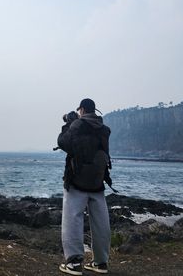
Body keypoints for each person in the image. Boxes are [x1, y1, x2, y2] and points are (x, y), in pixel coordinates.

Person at [57, 98, 111, 275]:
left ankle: (74, 263)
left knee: (73, 219)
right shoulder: (104, 129)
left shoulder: (77, 125)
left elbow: (63, 143)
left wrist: (69, 124)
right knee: (101, 222)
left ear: (81, 109)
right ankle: (101, 263)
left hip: (77, 181)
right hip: (97, 181)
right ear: (95, 110)